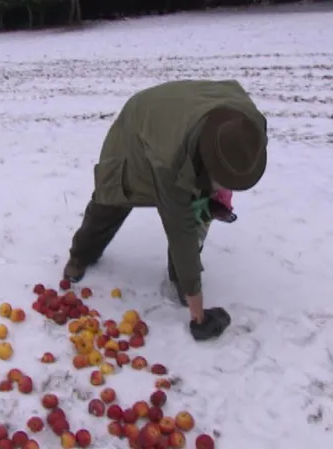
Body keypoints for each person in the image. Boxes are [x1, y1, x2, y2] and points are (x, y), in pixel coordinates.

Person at [61, 80, 268, 340]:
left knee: (202, 206)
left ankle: (181, 277)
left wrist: (219, 190)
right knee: (113, 195)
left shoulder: (249, 129)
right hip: (140, 124)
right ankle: (81, 254)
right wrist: (198, 310)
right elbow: (179, 226)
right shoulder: (170, 161)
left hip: (188, 121)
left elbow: (206, 197)